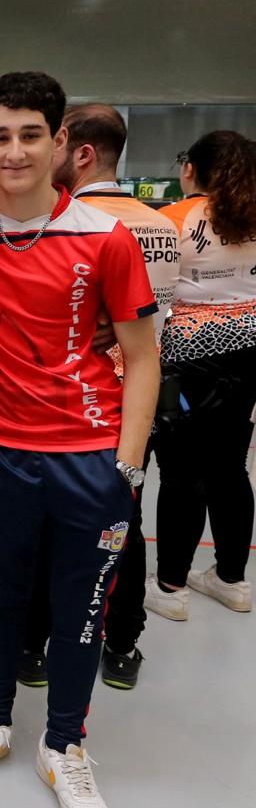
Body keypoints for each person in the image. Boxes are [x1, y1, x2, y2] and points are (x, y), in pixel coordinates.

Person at [0, 72, 159, 808]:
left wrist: (126, 465)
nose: (15, 150)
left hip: (92, 458)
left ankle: (63, 742)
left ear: (61, 142)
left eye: (32, 134)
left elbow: (144, 355)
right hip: (2, 455)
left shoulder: (106, 236)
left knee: (81, 612)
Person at [18, 104, 181, 691]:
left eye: (53, 143)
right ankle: (122, 644)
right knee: (127, 528)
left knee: (51, 530)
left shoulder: (80, 224)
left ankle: (36, 646)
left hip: (87, 406)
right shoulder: (162, 224)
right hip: (147, 400)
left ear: (79, 152)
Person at [145, 130, 256, 619]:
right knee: (231, 466)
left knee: (182, 472)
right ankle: (232, 580)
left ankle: (171, 586)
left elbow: (149, 300)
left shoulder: (171, 219)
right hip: (249, 353)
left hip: (187, 358)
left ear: (190, 169)